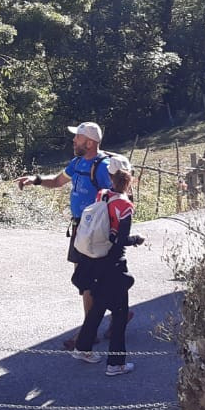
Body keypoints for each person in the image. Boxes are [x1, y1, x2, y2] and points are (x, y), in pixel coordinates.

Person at [15, 121, 113, 323]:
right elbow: (58, 181)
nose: (73, 140)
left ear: (89, 142)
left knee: (87, 280)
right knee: (86, 278)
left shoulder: (104, 167)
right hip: (79, 227)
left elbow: (117, 197)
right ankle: (120, 313)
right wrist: (36, 179)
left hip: (94, 230)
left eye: (78, 137)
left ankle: (88, 332)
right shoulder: (77, 163)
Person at [69, 157, 143, 375]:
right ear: (129, 177)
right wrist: (137, 239)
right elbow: (120, 240)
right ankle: (116, 363)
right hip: (114, 264)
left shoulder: (102, 195)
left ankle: (83, 348)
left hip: (96, 260)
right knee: (120, 314)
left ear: (110, 176)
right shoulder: (125, 205)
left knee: (99, 305)